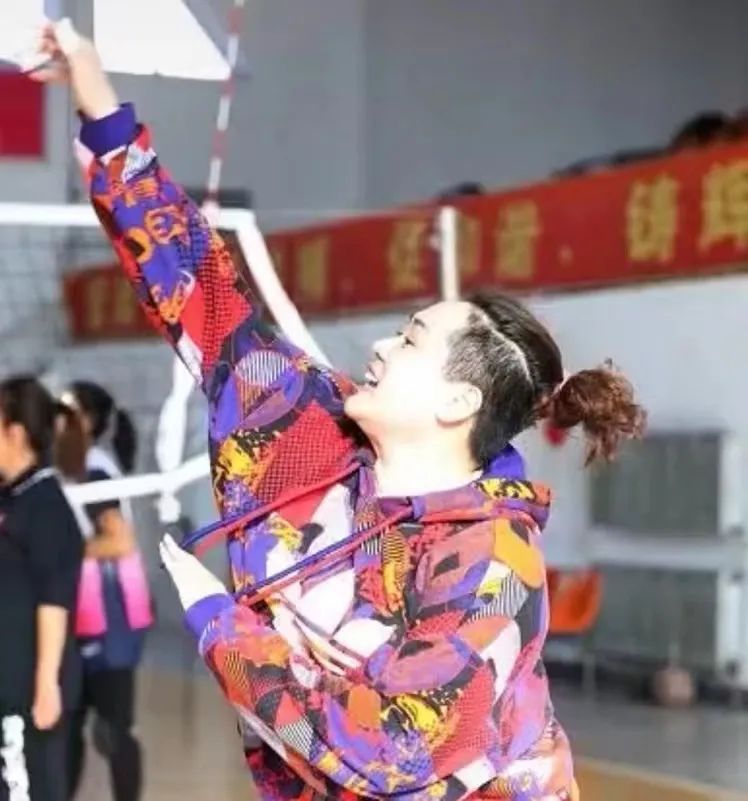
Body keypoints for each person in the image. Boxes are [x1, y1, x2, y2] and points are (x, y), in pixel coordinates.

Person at [35, 21, 645, 801]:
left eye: (412, 338)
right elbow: (197, 284)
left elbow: (389, 748)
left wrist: (218, 616)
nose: (383, 346)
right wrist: (97, 100)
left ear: (458, 400)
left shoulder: (495, 563)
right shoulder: (304, 425)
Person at [54, 384, 151, 801]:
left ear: (88, 421)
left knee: (114, 726)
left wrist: (58, 550)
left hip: (109, 615)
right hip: (85, 613)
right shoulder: (75, 466)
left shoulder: (94, 470)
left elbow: (120, 541)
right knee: (70, 723)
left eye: (65, 412)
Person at [0, 376, 83, 801]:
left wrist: (46, 682)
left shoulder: (45, 505)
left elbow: (54, 599)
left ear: (14, 433)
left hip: (26, 692)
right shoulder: (13, 498)